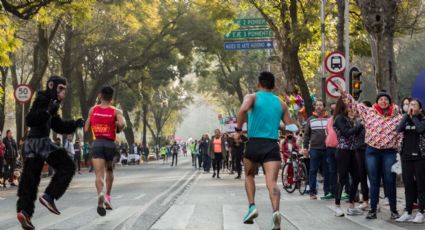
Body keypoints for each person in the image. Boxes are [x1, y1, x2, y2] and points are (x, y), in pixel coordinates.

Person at [17, 76, 84, 229]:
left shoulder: (52, 103)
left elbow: (58, 126)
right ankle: (49, 196)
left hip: (31, 144)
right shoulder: (44, 98)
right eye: (60, 88)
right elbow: (30, 119)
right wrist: (48, 111)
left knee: (30, 181)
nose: (63, 92)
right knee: (68, 167)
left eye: (65, 89)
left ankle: (24, 213)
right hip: (40, 142)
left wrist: (74, 124)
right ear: (51, 85)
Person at [235, 71, 296, 229]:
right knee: (272, 183)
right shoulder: (281, 103)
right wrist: (280, 127)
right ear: (274, 86)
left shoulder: (252, 97)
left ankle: (252, 207)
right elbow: (290, 128)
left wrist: (238, 130)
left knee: (249, 175)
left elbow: (242, 110)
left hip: (254, 144)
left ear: (258, 84)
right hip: (271, 146)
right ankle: (276, 212)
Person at [338, 85, 402, 220]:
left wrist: (399, 149)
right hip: (372, 151)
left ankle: (394, 210)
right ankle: (372, 209)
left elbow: (401, 135)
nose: (383, 101)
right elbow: (353, 105)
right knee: (373, 181)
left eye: (386, 99)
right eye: (381, 99)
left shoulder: (398, 117)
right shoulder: (368, 112)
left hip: (389, 152)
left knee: (390, 181)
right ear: (377, 101)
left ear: (389, 102)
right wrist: (344, 93)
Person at [85, 86, 126, 217]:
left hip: (97, 144)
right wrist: (117, 126)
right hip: (109, 145)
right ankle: (108, 196)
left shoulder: (93, 110)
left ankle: (100, 195)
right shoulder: (115, 111)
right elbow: (122, 124)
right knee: (109, 170)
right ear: (112, 98)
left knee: (98, 175)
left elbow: (86, 128)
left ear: (99, 95)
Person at [332, 97, 363, 217]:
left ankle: (351, 205)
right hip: (343, 151)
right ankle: (337, 206)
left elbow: (355, 134)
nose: (350, 106)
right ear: (342, 105)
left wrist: (359, 124)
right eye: (347, 104)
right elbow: (346, 133)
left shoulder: (348, 118)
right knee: (342, 179)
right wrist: (360, 125)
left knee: (357, 177)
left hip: (352, 151)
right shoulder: (339, 118)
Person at [396, 98, 425, 223]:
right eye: (410, 104)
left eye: (414, 105)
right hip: (406, 156)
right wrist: (406, 117)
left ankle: (420, 212)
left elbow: (420, 129)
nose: (411, 106)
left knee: (421, 185)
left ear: (420, 108)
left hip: (420, 156)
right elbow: (398, 129)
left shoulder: (422, 120)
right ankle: (408, 212)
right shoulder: (406, 119)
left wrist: (413, 117)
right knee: (408, 185)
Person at [303, 99, 330, 200]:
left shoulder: (329, 119)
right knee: (313, 170)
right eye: (317, 105)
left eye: (320, 105)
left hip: (327, 149)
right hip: (314, 149)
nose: (318, 107)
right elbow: (306, 135)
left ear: (323, 107)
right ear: (315, 107)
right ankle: (312, 192)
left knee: (327, 171)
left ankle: (327, 192)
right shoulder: (310, 119)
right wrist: (305, 147)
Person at [354, 101, 372, 211]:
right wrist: (361, 124)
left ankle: (375, 201)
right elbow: (354, 132)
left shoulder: (374, 121)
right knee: (362, 176)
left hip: (371, 149)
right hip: (359, 150)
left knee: (373, 176)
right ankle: (365, 200)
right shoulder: (358, 121)